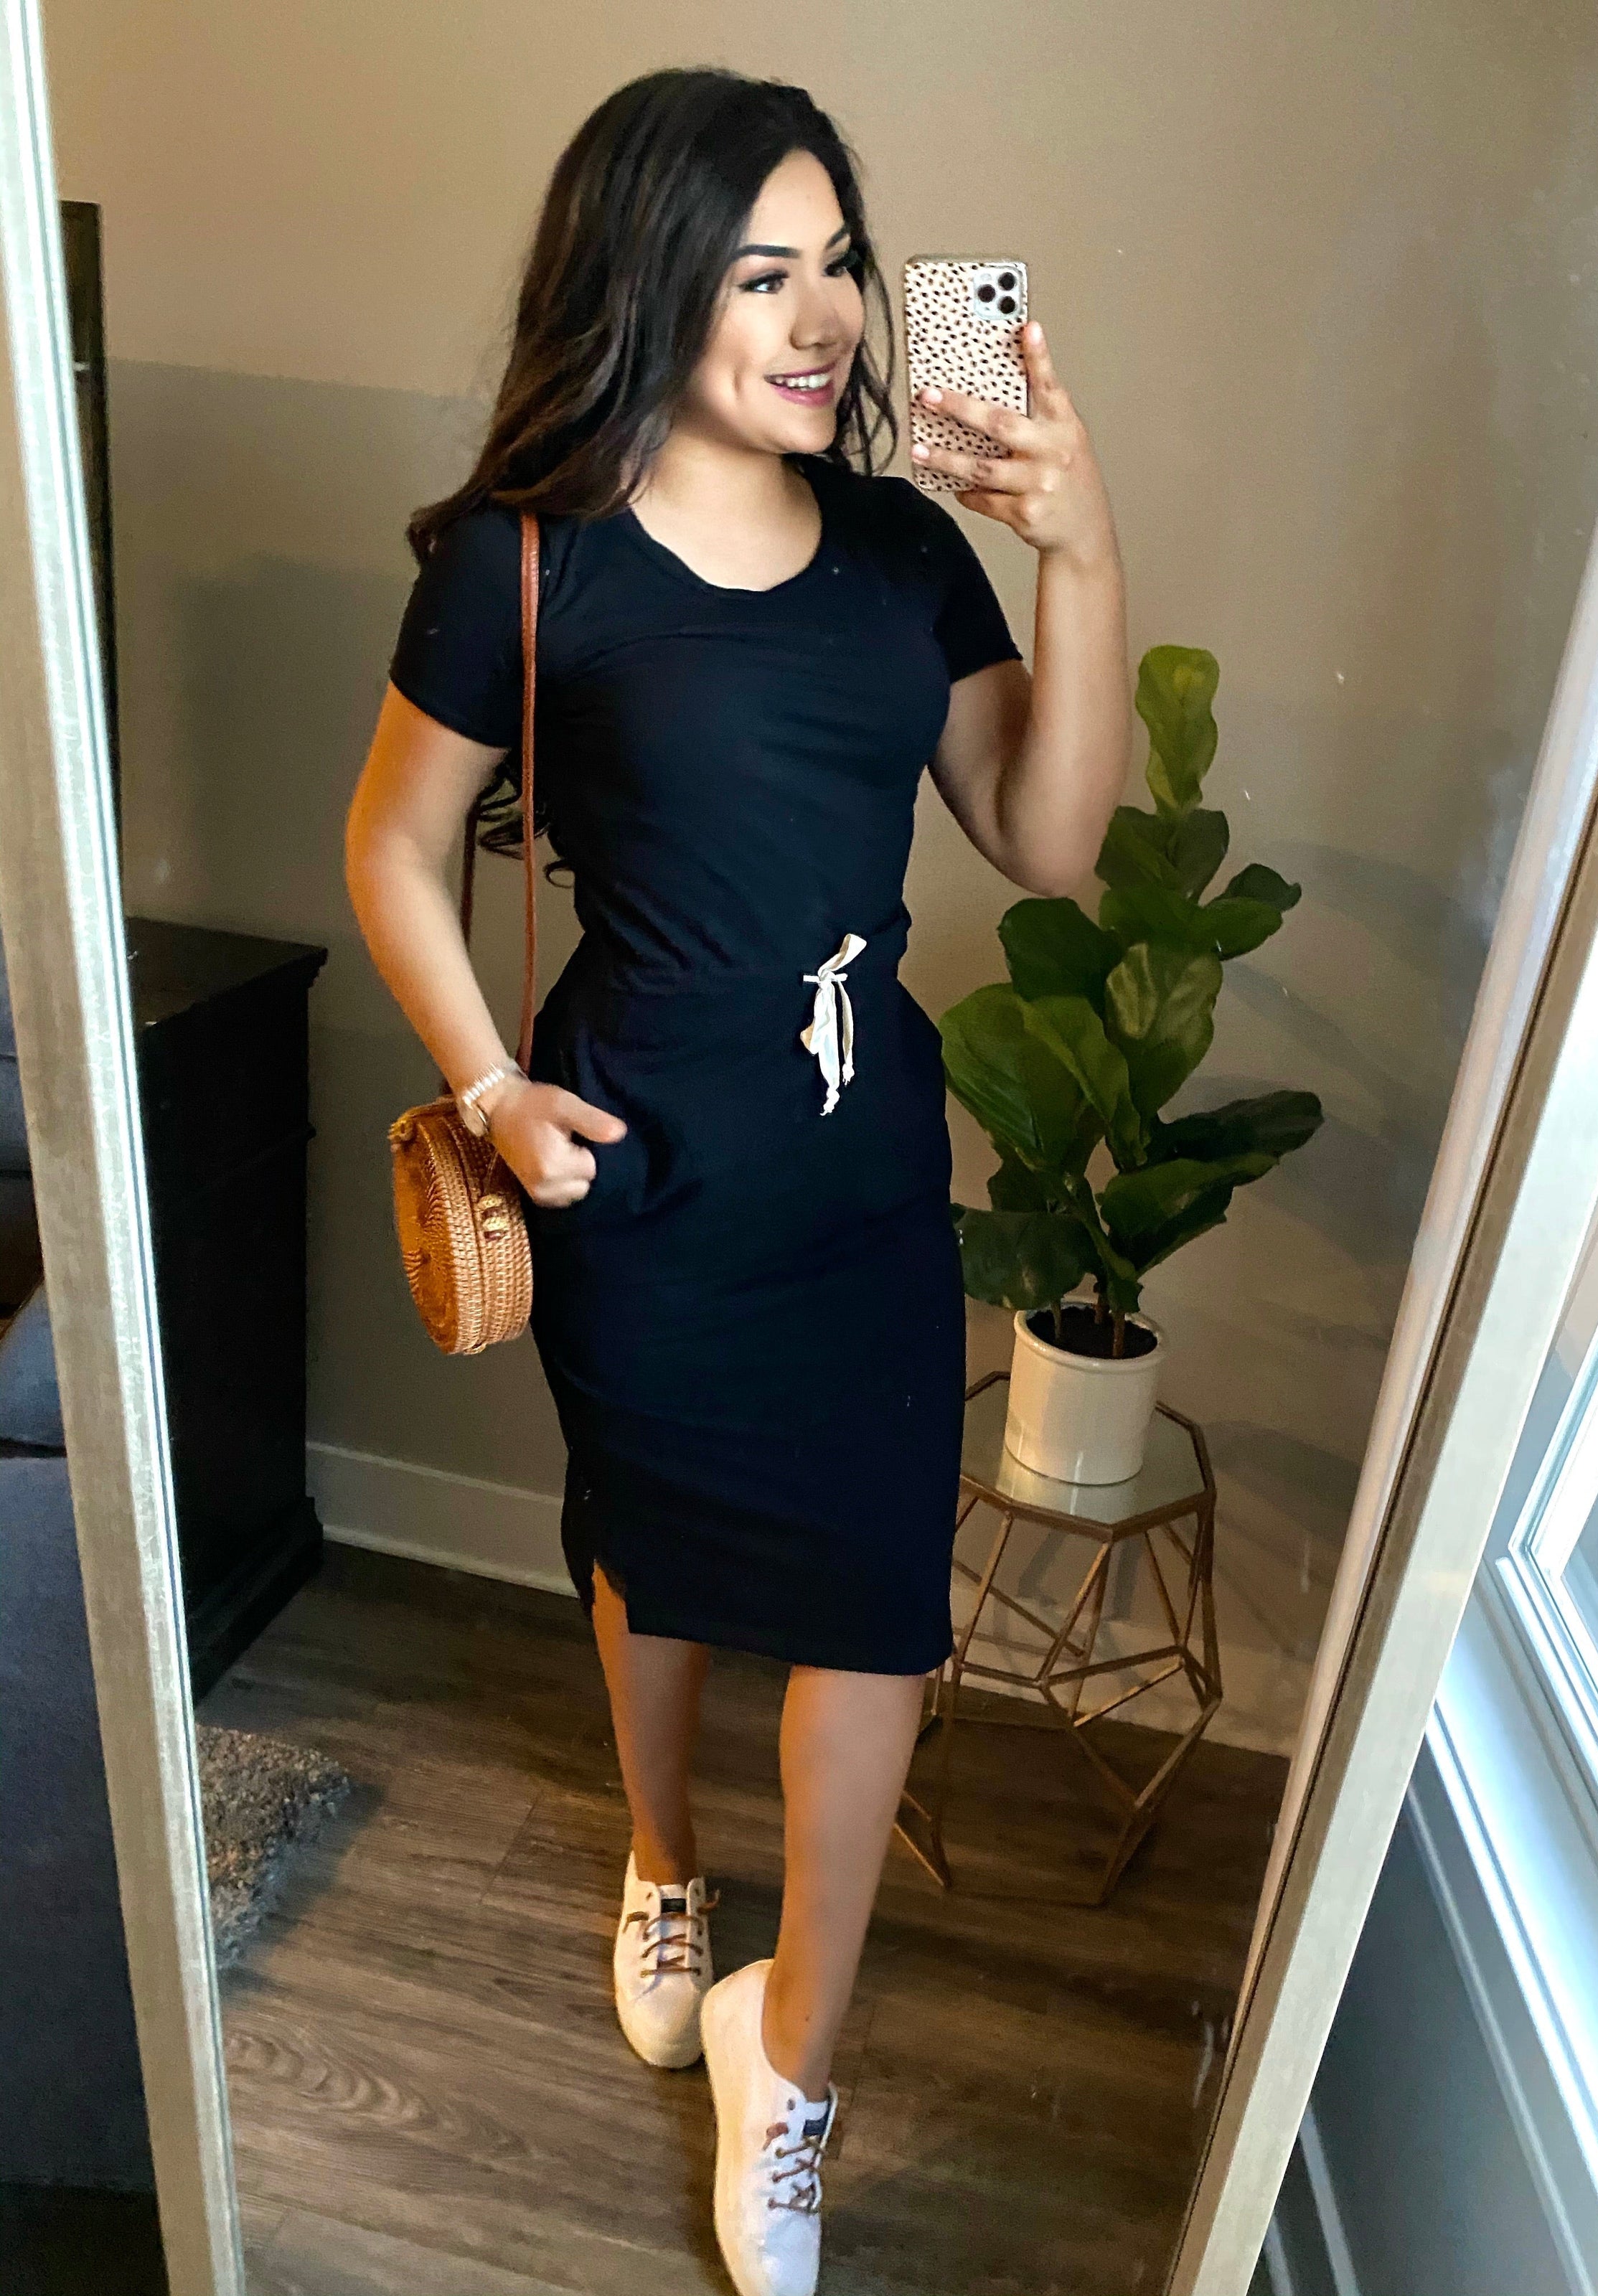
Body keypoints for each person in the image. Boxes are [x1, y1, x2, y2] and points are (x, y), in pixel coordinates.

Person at [344, 66, 1127, 2296]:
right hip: (644, 1177)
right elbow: (393, 845)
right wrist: (493, 1085)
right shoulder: (527, 559)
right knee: (657, 1559)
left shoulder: (901, 548)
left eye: (840, 264)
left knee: (878, 1605)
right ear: (648, 281)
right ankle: (667, 1862)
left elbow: (1047, 835)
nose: (822, 315)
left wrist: (1081, 548)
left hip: (863, 1180)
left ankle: (794, 2058)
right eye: (759, 270)